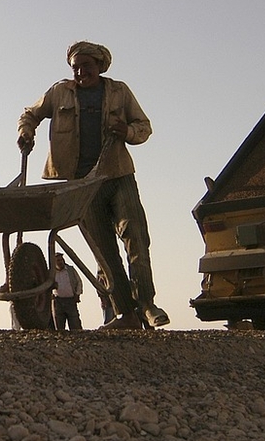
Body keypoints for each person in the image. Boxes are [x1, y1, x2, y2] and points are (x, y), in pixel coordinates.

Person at [17, 41, 169, 330]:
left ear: (100, 66)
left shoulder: (119, 92)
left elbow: (144, 126)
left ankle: (147, 304)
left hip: (117, 175)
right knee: (104, 252)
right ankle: (127, 315)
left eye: (85, 66)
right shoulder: (59, 92)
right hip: (81, 186)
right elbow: (29, 114)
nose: (79, 72)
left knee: (135, 236)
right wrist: (26, 132)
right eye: (75, 67)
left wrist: (128, 131)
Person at [51, 253, 84, 331]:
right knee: (59, 328)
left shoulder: (70, 270)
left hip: (71, 300)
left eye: (61, 260)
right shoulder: (51, 273)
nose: (60, 262)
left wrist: (77, 293)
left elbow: (79, 282)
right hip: (58, 301)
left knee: (75, 326)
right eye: (58, 260)